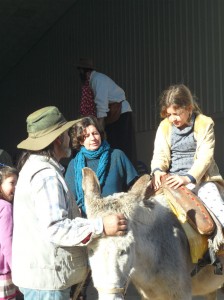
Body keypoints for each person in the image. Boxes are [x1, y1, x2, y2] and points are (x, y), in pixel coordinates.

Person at [11, 106, 128, 300]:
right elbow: (56, 227)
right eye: (66, 133)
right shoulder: (45, 176)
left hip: (42, 279)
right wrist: (102, 226)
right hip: (48, 283)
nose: (69, 138)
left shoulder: (34, 168)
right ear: (58, 139)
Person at [150, 84, 224, 247]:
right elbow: (160, 153)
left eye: (176, 114)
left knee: (218, 207)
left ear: (189, 108)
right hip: (172, 180)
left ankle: (219, 246)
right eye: (169, 114)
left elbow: (205, 156)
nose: (172, 119)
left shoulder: (205, 123)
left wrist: (188, 177)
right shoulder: (164, 127)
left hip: (200, 179)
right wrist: (157, 171)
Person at [65, 115, 138, 218]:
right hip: (88, 222)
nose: (93, 138)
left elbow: (135, 187)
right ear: (80, 141)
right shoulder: (73, 165)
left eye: (95, 133)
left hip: (117, 218)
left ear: (101, 134)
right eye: (87, 136)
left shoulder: (117, 156)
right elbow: (69, 199)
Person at [76, 57, 137, 166]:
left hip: (121, 114)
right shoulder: (92, 82)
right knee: (113, 145)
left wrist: (99, 127)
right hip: (113, 115)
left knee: (123, 147)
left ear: (82, 71)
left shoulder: (98, 80)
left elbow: (101, 106)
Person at [0, 164, 18, 300]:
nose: (16, 187)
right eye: (12, 182)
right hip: (4, 272)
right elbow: (7, 240)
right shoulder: (6, 207)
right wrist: (15, 267)